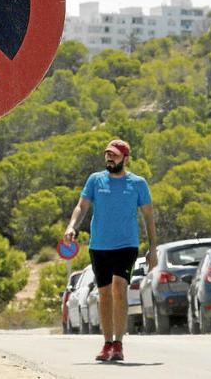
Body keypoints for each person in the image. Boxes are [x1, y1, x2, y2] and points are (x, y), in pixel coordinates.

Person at [63, 139, 157, 362]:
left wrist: (153, 247)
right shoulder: (95, 181)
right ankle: (107, 344)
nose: (109, 158)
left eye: (114, 155)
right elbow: (82, 206)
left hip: (126, 245)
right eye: (107, 154)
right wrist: (71, 226)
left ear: (125, 158)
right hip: (99, 246)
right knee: (104, 293)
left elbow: (148, 217)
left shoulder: (138, 184)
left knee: (119, 287)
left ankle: (119, 343)